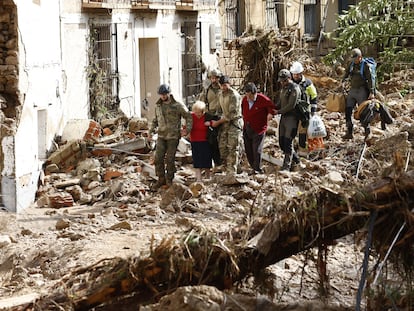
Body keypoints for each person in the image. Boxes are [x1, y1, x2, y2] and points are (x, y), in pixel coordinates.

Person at [149, 84, 192, 190]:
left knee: (170, 159)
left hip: (173, 136)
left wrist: (187, 130)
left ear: (168, 93)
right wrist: (150, 131)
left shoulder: (177, 105)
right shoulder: (158, 106)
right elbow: (155, 120)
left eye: (165, 94)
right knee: (158, 158)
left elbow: (188, 116)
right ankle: (161, 179)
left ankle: (169, 180)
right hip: (161, 135)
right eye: (161, 95)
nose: (163, 96)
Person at [210, 75, 243, 181]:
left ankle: (232, 172)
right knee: (222, 147)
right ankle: (228, 167)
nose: (224, 87)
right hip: (224, 124)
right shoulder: (220, 94)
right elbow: (219, 110)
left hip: (234, 123)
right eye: (222, 85)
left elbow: (232, 114)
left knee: (233, 147)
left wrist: (218, 122)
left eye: (225, 85)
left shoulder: (234, 95)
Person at [241, 82, 276, 174]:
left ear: (254, 93)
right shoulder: (245, 100)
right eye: (246, 95)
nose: (248, 97)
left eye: (250, 95)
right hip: (247, 127)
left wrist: (270, 114)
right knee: (248, 149)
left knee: (257, 149)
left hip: (259, 128)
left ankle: (257, 168)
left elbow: (271, 108)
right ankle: (253, 166)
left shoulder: (262, 99)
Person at [342, 48, 376, 140]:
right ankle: (349, 132)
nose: (354, 61)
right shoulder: (351, 64)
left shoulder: (365, 65)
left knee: (363, 112)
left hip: (362, 90)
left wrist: (372, 92)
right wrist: (342, 81)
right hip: (352, 90)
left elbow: (370, 79)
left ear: (360, 57)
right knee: (348, 110)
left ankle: (367, 132)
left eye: (355, 59)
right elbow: (346, 73)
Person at [289, 61, 319, 156]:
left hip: (304, 112)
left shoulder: (307, 83)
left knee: (303, 131)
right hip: (293, 111)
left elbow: (313, 96)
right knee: (292, 130)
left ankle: (302, 150)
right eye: (294, 74)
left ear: (301, 73)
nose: (296, 76)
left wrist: (313, 111)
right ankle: (292, 149)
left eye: (297, 74)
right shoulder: (290, 83)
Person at [275, 69, 301, 171]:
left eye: (284, 81)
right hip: (283, 118)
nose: (282, 83)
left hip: (292, 118)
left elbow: (291, 105)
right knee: (282, 142)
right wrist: (273, 108)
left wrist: (279, 111)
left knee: (288, 142)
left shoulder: (294, 89)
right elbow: (280, 103)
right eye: (281, 81)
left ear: (289, 78)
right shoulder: (283, 89)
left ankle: (286, 166)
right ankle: (296, 159)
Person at [198, 69, 222, 166]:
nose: (214, 80)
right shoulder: (207, 90)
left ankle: (222, 161)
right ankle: (215, 161)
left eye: (215, 78)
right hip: (210, 115)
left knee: (223, 140)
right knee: (212, 140)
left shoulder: (223, 88)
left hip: (222, 116)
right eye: (212, 78)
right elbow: (201, 102)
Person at [190, 100, 212, 182]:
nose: (198, 114)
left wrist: (210, 123)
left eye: (199, 112)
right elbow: (187, 126)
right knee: (197, 160)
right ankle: (199, 178)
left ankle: (208, 176)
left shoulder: (206, 116)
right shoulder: (191, 116)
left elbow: (214, 122)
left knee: (206, 159)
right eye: (196, 112)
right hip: (195, 140)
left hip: (205, 141)